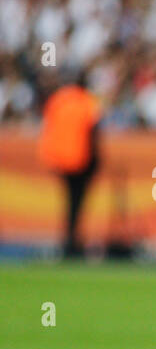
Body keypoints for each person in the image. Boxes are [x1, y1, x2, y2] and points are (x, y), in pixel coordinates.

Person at [38, 71, 101, 259]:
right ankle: (72, 242)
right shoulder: (87, 102)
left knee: (69, 201)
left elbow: (48, 127)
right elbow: (93, 131)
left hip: (60, 158)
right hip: (80, 159)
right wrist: (96, 159)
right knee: (76, 202)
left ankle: (69, 239)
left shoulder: (58, 100)